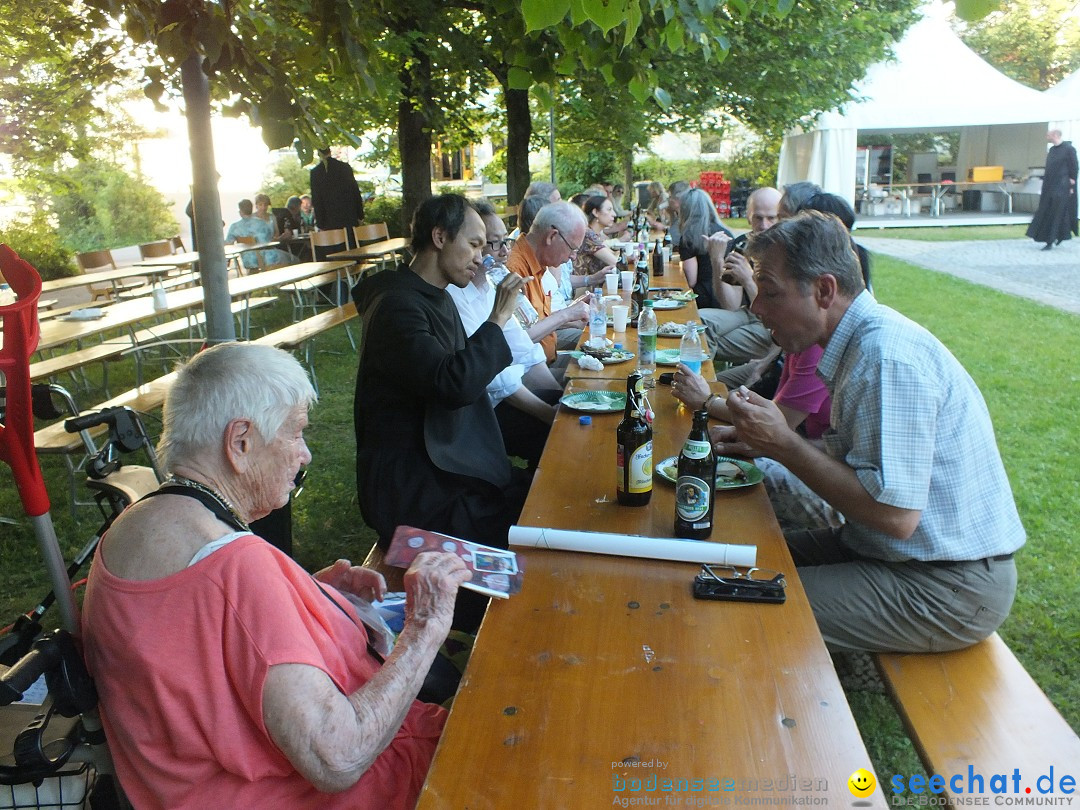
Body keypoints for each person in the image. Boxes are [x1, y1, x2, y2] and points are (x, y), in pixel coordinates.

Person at [81, 342, 471, 809]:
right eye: (296, 433)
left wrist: (309, 593)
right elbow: (338, 758)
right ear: (241, 441)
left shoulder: (134, 527)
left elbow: (204, 644)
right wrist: (426, 624)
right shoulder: (234, 567)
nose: (304, 454)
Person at [711, 210, 1025, 654]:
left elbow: (895, 516)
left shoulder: (884, 360)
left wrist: (783, 445)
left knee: (737, 601)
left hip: (947, 586)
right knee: (725, 567)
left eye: (771, 293)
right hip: (895, 555)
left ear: (824, 290)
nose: (756, 308)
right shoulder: (864, 342)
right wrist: (767, 444)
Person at [352, 195, 530, 614]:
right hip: (412, 482)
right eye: (474, 245)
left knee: (536, 500)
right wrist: (498, 317)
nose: (483, 259)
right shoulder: (397, 306)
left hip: (442, 460)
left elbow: (458, 373)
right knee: (518, 528)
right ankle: (483, 631)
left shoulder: (434, 295)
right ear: (438, 237)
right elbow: (452, 384)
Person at [446, 200, 563, 468]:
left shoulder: (489, 285)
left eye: (505, 242)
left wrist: (556, 395)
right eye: (493, 243)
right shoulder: (454, 295)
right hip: (480, 411)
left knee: (570, 409)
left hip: (507, 395)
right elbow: (494, 378)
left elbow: (522, 348)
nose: (504, 252)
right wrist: (548, 413)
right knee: (555, 433)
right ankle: (542, 503)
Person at [506, 201, 603, 367]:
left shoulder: (539, 262)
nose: (573, 257)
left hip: (549, 354)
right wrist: (566, 315)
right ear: (552, 236)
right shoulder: (515, 269)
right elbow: (518, 339)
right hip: (531, 370)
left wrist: (574, 311)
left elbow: (537, 320)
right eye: (572, 248)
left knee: (605, 348)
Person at [694, 187, 778, 367]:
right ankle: (698, 384)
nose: (764, 225)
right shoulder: (743, 244)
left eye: (771, 218)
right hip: (748, 312)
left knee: (700, 340)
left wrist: (748, 279)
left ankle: (701, 387)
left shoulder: (787, 250)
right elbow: (730, 305)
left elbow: (775, 312)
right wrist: (716, 259)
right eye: (758, 217)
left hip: (774, 322)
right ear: (749, 216)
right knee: (697, 323)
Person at [676, 187, 734, 312]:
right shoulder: (725, 231)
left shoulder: (689, 236)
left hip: (703, 298)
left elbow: (691, 280)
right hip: (727, 295)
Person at [1026, 129, 1078, 250]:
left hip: (1062, 185)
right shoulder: (1052, 150)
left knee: (1057, 212)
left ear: (1055, 135)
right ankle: (1061, 235)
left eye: (1048, 135)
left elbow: (1074, 167)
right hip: (1050, 185)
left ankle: (1050, 240)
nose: (1047, 136)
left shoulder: (1069, 149)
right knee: (1050, 211)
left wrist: (1071, 184)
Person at [311, 147, 365, 243]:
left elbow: (317, 200)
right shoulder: (345, 168)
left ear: (318, 154)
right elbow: (355, 192)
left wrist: (320, 223)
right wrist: (360, 215)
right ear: (330, 152)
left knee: (336, 252)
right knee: (353, 249)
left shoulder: (316, 173)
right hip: (349, 217)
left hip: (329, 221)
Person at [224, 198, 277, 272]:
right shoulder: (262, 223)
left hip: (248, 261)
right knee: (294, 259)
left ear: (240, 212)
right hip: (268, 259)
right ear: (252, 210)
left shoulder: (235, 227)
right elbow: (270, 238)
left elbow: (229, 243)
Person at [573, 195, 620, 277]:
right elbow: (616, 263)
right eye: (609, 210)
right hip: (586, 288)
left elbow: (613, 254)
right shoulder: (588, 235)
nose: (614, 214)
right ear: (595, 212)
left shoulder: (596, 234)